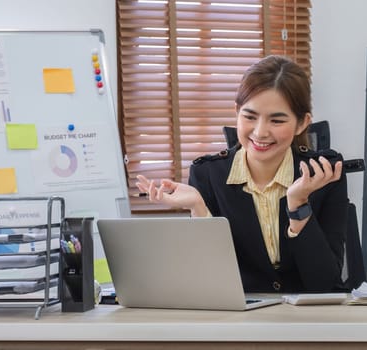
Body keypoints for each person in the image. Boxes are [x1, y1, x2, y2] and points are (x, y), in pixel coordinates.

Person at [136, 55, 349, 293]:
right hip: (237, 321)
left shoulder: (323, 173)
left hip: (307, 321)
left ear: (302, 123)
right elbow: (207, 283)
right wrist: (199, 208)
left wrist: (298, 206)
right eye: (249, 117)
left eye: (277, 120)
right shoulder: (207, 175)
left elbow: (327, 285)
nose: (260, 132)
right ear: (236, 112)